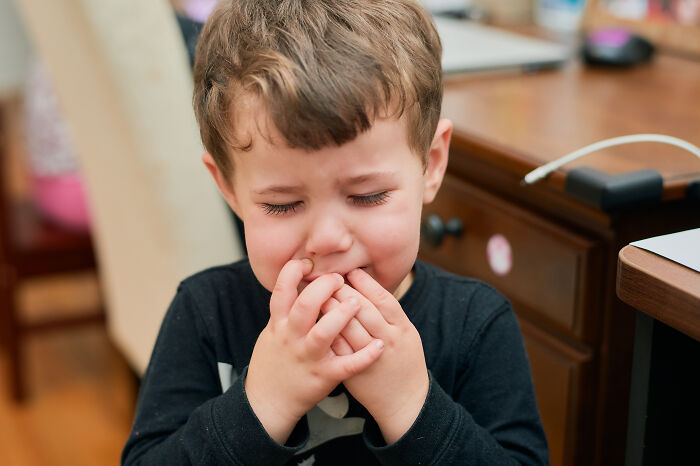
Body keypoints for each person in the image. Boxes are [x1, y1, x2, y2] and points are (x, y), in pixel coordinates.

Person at [122, 1, 549, 464]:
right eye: (282, 204)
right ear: (228, 186)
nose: (327, 239)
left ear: (431, 165)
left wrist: (411, 405)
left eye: (367, 196)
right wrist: (263, 403)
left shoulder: (474, 324)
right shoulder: (206, 315)